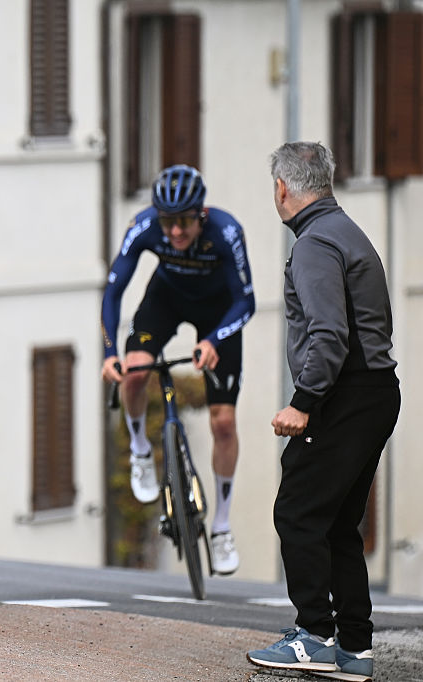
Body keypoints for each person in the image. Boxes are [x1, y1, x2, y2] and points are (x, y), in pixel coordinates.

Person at [247, 142, 399, 682]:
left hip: (343, 395)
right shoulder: (348, 230)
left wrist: (303, 403)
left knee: (297, 511)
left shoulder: (315, 243)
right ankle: (354, 649)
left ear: (282, 188)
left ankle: (314, 636)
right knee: (337, 523)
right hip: (377, 391)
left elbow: (330, 334)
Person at [100, 164, 255, 575]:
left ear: (200, 214)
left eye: (184, 222)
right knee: (134, 372)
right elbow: (113, 290)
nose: (176, 233)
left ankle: (220, 527)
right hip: (166, 300)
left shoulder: (226, 232)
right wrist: (110, 351)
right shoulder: (144, 226)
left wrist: (213, 341)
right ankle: (140, 451)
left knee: (223, 423)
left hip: (219, 314)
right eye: (168, 223)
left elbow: (247, 302)